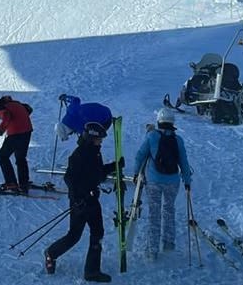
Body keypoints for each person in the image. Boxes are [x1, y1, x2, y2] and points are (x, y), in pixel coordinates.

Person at [44, 121, 119, 282]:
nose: (101, 142)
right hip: (80, 202)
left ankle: (92, 271)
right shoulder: (79, 155)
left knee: (98, 232)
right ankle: (51, 253)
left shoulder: (95, 153)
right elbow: (69, 178)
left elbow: (97, 174)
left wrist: (114, 166)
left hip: (92, 199)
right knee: (74, 236)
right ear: (91, 138)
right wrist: (77, 198)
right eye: (99, 139)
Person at [132, 108, 192, 259]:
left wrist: (135, 173)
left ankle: (152, 251)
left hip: (154, 181)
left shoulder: (152, 136)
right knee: (169, 210)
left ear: (159, 121)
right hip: (173, 181)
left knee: (154, 214)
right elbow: (183, 162)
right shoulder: (178, 140)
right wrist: (187, 181)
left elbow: (140, 155)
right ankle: (168, 243)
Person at [0, 95, 33, 192]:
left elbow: (7, 116)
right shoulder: (14, 103)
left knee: (2, 156)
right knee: (20, 158)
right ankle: (24, 184)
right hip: (27, 131)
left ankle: (11, 183)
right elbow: (29, 109)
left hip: (16, 133)